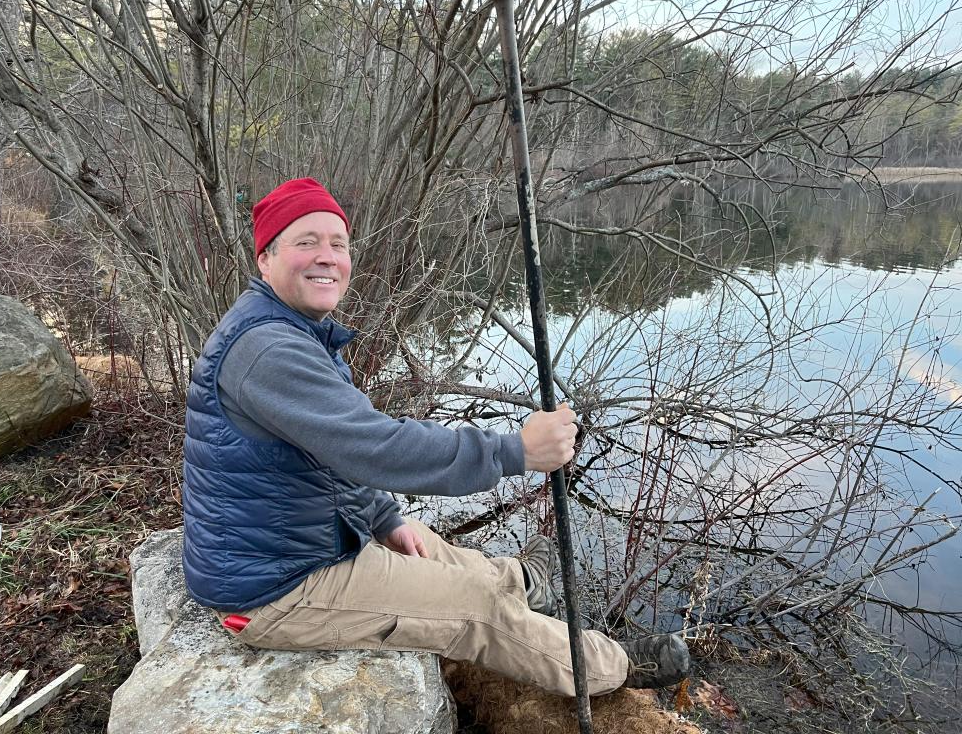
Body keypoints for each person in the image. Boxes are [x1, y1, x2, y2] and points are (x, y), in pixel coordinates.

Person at [182, 177, 690, 696]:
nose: (327, 256)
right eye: (305, 241)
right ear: (265, 259)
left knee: (423, 541)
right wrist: (514, 450)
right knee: (476, 609)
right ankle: (614, 668)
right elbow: (376, 446)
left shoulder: (290, 328)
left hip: (297, 544)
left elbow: (329, 450)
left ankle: (523, 583)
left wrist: (382, 518)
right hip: (275, 588)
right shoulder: (268, 350)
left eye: (338, 243)